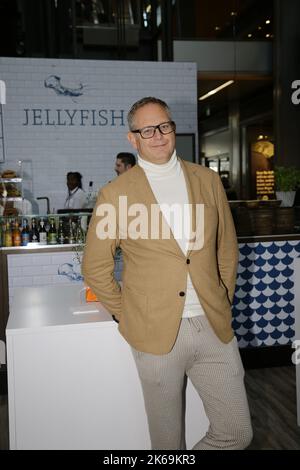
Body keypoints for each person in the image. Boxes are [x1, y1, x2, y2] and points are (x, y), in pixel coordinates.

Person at [82, 97, 253, 450]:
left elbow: (227, 250)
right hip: (154, 333)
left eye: (164, 126)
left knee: (236, 433)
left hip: (212, 327)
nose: (158, 136)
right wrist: (126, 312)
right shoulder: (115, 194)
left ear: (173, 129)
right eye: (147, 130)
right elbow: (95, 267)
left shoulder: (207, 180)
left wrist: (222, 298)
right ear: (133, 139)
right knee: (166, 444)